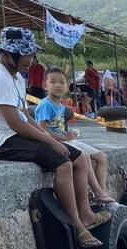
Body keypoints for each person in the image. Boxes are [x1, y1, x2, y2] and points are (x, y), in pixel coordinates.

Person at [0, 27, 109, 248]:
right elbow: (15, 124)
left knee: (82, 158)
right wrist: (51, 141)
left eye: (31, 54)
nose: (31, 59)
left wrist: (48, 136)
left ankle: (87, 214)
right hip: (2, 141)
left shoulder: (15, 76)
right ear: (10, 53)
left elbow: (25, 115)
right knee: (64, 164)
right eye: (27, 54)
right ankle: (76, 226)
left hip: (16, 135)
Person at [35, 67, 115, 204]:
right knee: (84, 157)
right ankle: (98, 192)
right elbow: (41, 130)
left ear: (67, 87)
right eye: (53, 82)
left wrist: (68, 134)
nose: (58, 85)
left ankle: (101, 193)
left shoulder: (60, 105)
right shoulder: (45, 105)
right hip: (55, 143)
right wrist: (64, 137)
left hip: (65, 139)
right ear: (45, 86)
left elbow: (57, 128)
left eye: (62, 82)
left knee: (101, 157)